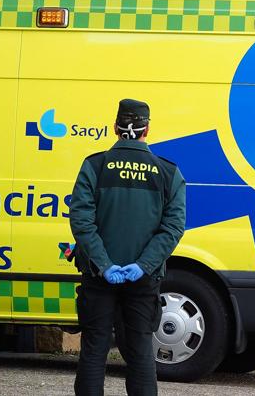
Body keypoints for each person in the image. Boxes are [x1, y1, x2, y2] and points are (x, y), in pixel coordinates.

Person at [69, 99, 186, 396]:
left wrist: (104, 264)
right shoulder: (168, 173)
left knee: (94, 350)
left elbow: (82, 222)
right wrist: (144, 265)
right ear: (147, 129)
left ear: (115, 128)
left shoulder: (95, 165)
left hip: (98, 277)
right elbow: (172, 228)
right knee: (141, 353)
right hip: (144, 280)